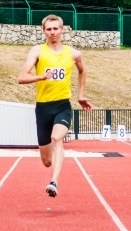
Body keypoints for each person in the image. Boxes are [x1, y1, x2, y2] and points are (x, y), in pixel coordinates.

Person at [18, 15, 92, 197]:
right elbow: (21, 77)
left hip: (62, 105)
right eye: (49, 29)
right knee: (46, 161)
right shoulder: (37, 51)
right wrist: (41, 77)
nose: (52, 32)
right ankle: (53, 169)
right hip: (43, 108)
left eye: (55, 28)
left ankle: (54, 182)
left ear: (62, 29)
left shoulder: (73, 54)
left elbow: (82, 71)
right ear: (44, 31)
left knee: (57, 138)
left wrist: (80, 95)